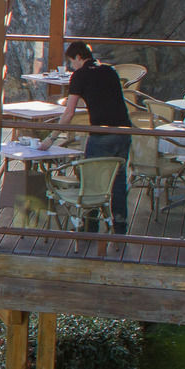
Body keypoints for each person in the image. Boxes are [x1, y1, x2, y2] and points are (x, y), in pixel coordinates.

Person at [43, 41, 133, 236]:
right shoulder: (109, 70)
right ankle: (120, 227)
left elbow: (68, 114)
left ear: (77, 57)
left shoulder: (80, 75)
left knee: (91, 180)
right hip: (124, 131)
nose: (71, 66)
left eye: (71, 62)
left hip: (101, 134)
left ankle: (90, 227)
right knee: (118, 179)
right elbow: (107, 97)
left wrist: (51, 138)